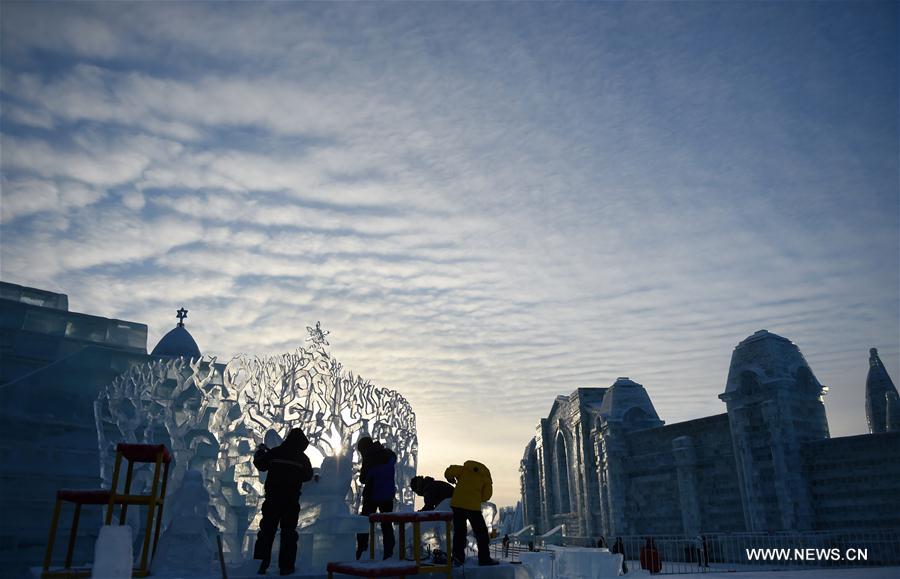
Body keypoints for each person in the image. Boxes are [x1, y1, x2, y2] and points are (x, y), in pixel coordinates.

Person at [253, 429, 313, 576]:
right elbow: (308, 476)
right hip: (291, 500)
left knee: (267, 531)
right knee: (289, 533)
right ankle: (286, 567)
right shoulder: (303, 458)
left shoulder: (275, 452)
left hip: (273, 498)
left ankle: (260, 565)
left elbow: (260, 464)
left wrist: (260, 452)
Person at [444, 460, 499, 567]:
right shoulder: (486, 478)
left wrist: (450, 478)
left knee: (459, 532)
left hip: (457, 504)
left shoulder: (464, 469)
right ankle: (484, 559)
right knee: (481, 533)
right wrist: (477, 496)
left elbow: (449, 471)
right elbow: (486, 496)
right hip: (472, 507)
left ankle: (458, 558)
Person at [356, 436, 397, 560]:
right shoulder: (388, 454)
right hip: (388, 495)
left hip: (372, 495)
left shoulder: (369, 458)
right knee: (387, 525)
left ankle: (361, 551)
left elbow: (363, 478)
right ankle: (389, 554)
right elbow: (393, 460)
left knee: (364, 523)